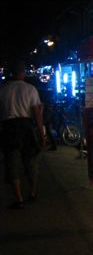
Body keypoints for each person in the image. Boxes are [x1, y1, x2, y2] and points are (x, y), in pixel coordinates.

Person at [0, 60, 47, 208]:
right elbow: (37, 113)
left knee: (12, 163)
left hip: (9, 128)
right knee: (31, 160)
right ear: (23, 73)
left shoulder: (3, 90)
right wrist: (41, 133)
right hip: (26, 127)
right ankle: (33, 192)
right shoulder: (30, 89)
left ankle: (19, 198)